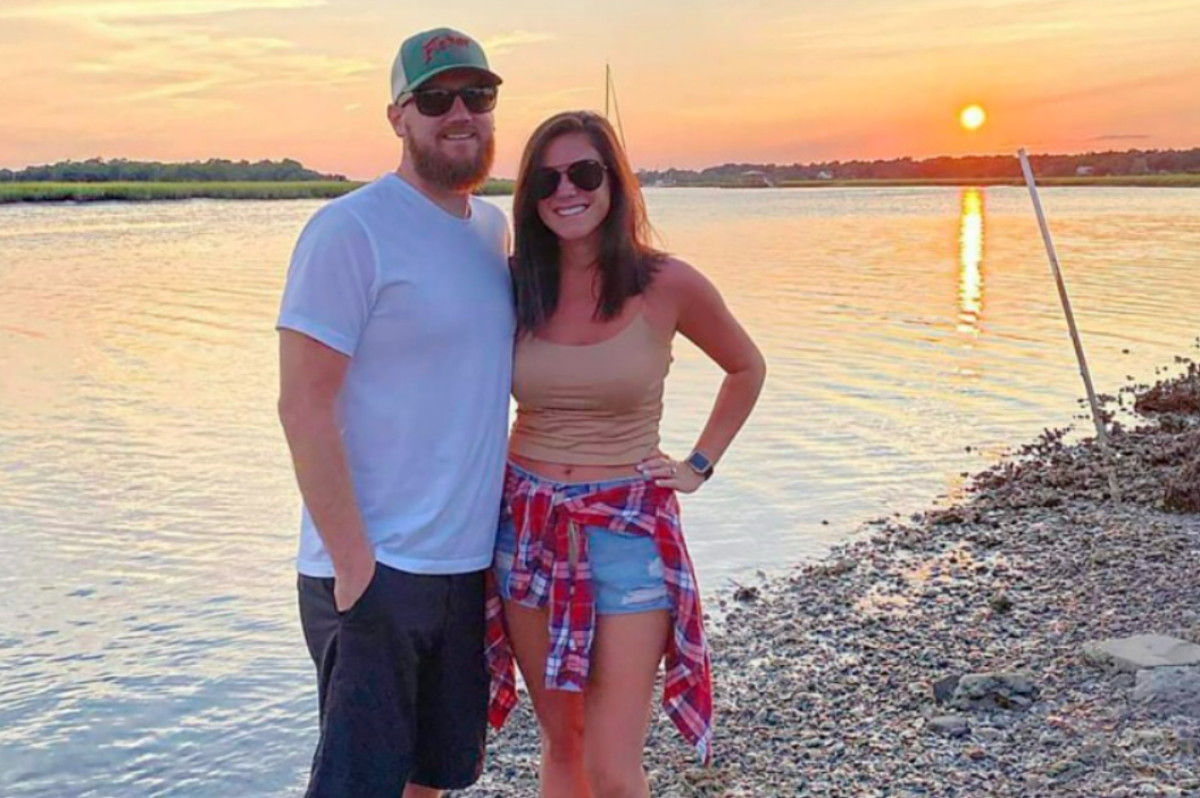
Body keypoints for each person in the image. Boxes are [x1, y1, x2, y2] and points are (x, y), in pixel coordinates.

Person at [486, 111, 767, 798]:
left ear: (614, 182)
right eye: (547, 180)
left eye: (584, 173)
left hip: (627, 533)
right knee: (562, 743)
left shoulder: (667, 284)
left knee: (612, 765)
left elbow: (745, 367)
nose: (566, 191)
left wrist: (697, 466)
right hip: (527, 529)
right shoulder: (513, 284)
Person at [276, 28, 513, 798]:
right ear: (397, 117)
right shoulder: (350, 230)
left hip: (464, 565)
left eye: (477, 95)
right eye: (435, 98)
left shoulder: (492, 230)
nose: (460, 113)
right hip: (375, 568)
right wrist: (355, 568)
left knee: (432, 779)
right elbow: (302, 403)